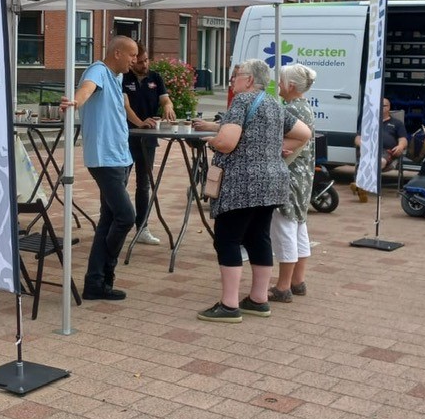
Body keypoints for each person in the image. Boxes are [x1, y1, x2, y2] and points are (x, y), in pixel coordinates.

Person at [192, 59, 310, 322]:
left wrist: (209, 141)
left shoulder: (242, 101)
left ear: (248, 79)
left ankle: (229, 305)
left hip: (242, 182)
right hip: (273, 181)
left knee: (228, 239)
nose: (232, 80)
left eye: (236, 76)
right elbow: (304, 133)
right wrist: (272, 146)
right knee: (258, 237)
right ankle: (258, 300)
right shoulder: (274, 103)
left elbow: (226, 142)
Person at [61, 35, 138, 301]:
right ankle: (106, 270)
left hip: (120, 158)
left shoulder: (116, 77)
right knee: (126, 216)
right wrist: (75, 101)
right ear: (117, 53)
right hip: (105, 159)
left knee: (108, 220)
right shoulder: (98, 71)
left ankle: (95, 284)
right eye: (132, 55)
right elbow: (87, 89)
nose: (135, 60)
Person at [270, 63, 318, 302]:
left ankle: (283, 286)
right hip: (304, 175)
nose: (278, 84)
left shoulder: (290, 110)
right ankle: (298, 281)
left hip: (288, 176)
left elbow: (281, 143)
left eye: (280, 81)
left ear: (290, 86)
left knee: (284, 226)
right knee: (299, 225)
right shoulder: (304, 107)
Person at [122, 48, 175, 246]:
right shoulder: (123, 76)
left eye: (146, 61)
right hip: (126, 138)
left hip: (148, 139)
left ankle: (142, 227)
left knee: (143, 184)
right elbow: (124, 107)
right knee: (121, 181)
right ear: (132, 60)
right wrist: (139, 122)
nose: (144, 65)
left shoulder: (155, 77)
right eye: (140, 61)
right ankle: (114, 223)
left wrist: (168, 106)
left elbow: (164, 98)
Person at [351, 97, 408, 201]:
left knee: (380, 161)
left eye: (384, 106)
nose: (381, 108)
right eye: (379, 106)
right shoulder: (369, 121)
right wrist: (362, 144)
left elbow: (403, 139)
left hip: (387, 151)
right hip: (369, 149)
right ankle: (362, 186)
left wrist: (400, 146)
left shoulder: (397, 123)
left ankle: (361, 184)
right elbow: (358, 138)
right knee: (365, 157)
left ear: (389, 107)